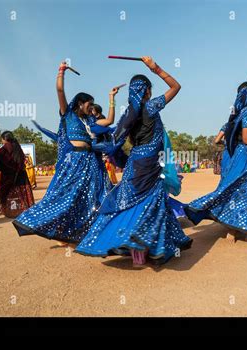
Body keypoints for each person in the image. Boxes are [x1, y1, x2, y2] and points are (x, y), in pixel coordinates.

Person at [76, 56, 192, 266]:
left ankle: (130, 246)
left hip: (134, 163)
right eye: (149, 89)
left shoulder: (128, 113)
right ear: (147, 91)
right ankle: (151, 248)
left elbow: (114, 142)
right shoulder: (151, 106)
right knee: (151, 201)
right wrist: (155, 68)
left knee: (127, 202)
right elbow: (176, 86)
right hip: (150, 163)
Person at [12, 61, 118, 243]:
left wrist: (111, 98)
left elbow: (109, 120)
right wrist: (61, 71)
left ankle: (84, 231)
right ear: (80, 103)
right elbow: (60, 92)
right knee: (67, 196)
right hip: (74, 160)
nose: (91, 108)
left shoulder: (89, 122)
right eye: (89, 104)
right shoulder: (67, 114)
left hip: (90, 161)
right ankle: (53, 228)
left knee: (91, 197)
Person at [184, 81, 247, 243]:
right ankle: (245, 230)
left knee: (233, 190)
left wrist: (231, 145)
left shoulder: (236, 116)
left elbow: (217, 140)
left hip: (234, 157)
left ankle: (233, 229)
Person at [0, 131, 35, 218]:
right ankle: (24, 210)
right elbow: (21, 160)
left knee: (4, 192)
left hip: (8, 176)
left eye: (2, 139)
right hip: (20, 175)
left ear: (4, 139)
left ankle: (10, 211)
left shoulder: (3, 149)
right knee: (22, 193)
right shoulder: (17, 147)